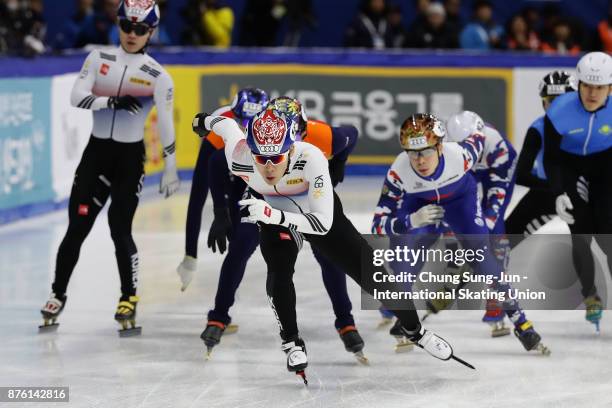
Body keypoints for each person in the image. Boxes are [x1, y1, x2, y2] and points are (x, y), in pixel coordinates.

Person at [193, 107, 467, 383]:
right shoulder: (238, 156)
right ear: (250, 150)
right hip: (273, 211)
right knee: (278, 270)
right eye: (261, 158)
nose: (268, 167)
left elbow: (322, 224)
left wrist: (270, 214)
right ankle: (291, 341)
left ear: (291, 147)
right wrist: (203, 120)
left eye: (276, 157)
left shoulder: (311, 157)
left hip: (315, 210)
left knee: (372, 273)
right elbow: (224, 126)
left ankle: (416, 331)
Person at [39, 0, 179, 336]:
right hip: (96, 154)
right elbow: (76, 96)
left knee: (120, 228)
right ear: (117, 25)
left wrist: (171, 167)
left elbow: (166, 126)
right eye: (126, 27)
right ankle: (57, 294)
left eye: (140, 29)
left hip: (129, 159)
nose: (132, 35)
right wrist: (110, 101)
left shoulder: (159, 76)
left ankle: (128, 297)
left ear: (152, 32)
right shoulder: (98, 59)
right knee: (77, 228)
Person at [193, 97, 367, 363]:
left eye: (295, 133)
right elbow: (217, 161)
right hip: (267, 199)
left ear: (304, 129)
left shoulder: (322, 136)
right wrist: (221, 211)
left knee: (330, 257)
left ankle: (346, 321)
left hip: (309, 201)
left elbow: (351, 135)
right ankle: (218, 316)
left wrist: (339, 162)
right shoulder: (260, 143)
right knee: (240, 249)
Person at [372, 114, 549, 355]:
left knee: (482, 258)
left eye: (426, 151)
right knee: (403, 257)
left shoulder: (463, 154)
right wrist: (410, 221)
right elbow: (378, 225)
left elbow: (478, 132)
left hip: (460, 202)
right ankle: (404, 317)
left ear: (440, 146)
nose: (419, 160)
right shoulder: (398, 172)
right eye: (412, 153)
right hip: (419, 206)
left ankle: (522, 323)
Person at [543, 52, 612, 333]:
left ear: (610, 87)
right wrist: (558, 190)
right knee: (580, 235)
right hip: (571, 168)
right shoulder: (559, 110)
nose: (592, 93)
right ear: (579, 84)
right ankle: (590, 294)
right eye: (587, 86)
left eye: (599, 87)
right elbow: (551, 157)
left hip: (606, 167)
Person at [177, 87, 269, 281]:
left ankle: (234, 263)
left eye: (252, 124)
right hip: (224, 157)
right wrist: (190, 254)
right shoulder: (220, 125)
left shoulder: (271, 128)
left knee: (241, 221)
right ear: (233, 118)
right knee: (205, 192)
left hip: (250, 165)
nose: (245, 129)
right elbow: (199, 192)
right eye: (241, 123)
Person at [505, 71, 574, 240]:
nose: (557, 107)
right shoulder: (538, 129)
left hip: (576, 194)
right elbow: (520, 174)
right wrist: (557, 190)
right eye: (552, 102)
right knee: (503, 238)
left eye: (562, 101)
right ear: (544, 104)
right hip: (548, 194)